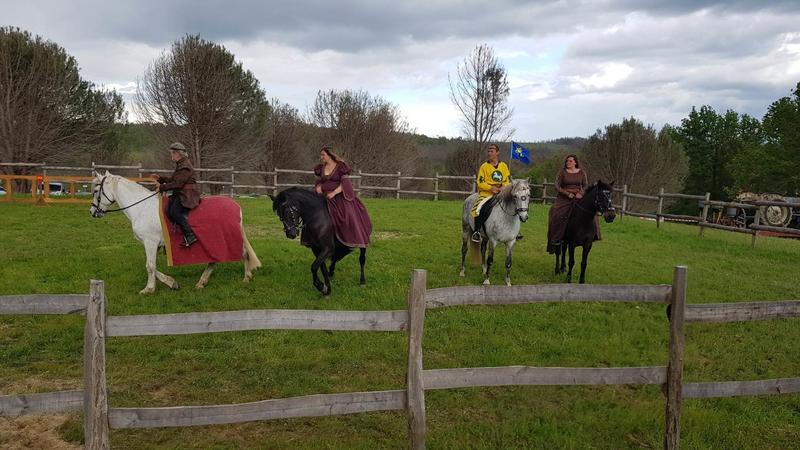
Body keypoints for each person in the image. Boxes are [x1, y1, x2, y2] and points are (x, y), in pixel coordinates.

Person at [313, 146, 372, 248]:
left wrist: (334, 193)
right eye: (321, 155)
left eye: (323, 154)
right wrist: (318, 187)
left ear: (330, 155)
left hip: (338, 196)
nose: (321, 157)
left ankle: (346, 238)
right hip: (323, 196)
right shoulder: (321, 168)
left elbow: (345, 183)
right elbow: (319, 181)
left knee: (346, 216)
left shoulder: (340, 167)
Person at [546, 154, 599, 253]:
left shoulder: (582, 173)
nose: (568, 163)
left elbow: (585, 185)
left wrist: (581, 193)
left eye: (570, 161)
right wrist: (567, 193)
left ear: (575, 162)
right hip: (564, 197)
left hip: (579, 196)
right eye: (567, 161)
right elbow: (557, 185)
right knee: (557, 213)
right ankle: (556, 238)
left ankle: (594, 235)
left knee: (591, 212)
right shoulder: (562, 172)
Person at [152, 142, 201, 247]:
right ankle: (178, 230)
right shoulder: (181, 164)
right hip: (181, 193)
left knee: (174, 212)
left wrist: (161, 187)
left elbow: (178, 184)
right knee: (167, 210)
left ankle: (190, 235)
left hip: (187, 195)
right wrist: (160, 179)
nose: (171, 156)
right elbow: (173, 180)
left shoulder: (185, 166)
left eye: (173, 153)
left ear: (178, 154)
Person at [471, 143, 511, 242]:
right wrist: (490, 188)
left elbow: (507, 180)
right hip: (487, 194)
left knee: (512, 205)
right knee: (479, 208)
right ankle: (477, 232)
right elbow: (480, 182)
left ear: (497, 153)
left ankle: (513, 232)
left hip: (501, 193)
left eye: (491, 151)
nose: (489, 153)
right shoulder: (484, 167)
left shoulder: (503, 166)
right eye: (488, 151)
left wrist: (503, 187)